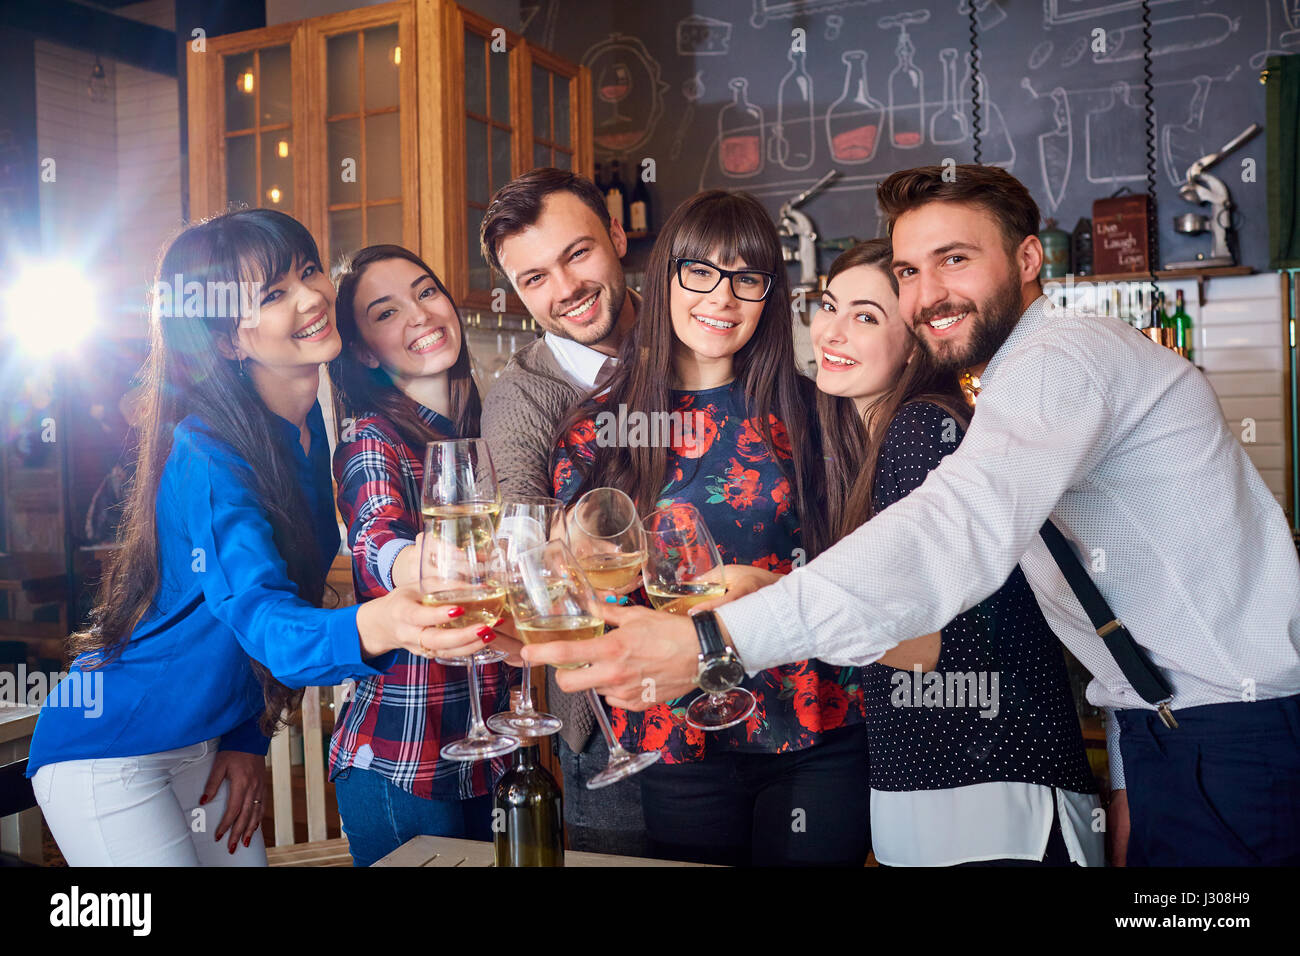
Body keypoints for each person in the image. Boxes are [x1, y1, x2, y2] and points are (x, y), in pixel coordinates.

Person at [524, 163, 1300, 867]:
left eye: (955, 260)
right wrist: (1132, 772)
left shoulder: (1058, 362)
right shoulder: (988, 398)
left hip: (1226, 736)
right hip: (1167, 733)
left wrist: (717, 637)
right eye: (908, 272)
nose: (929, 293)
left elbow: (952, 539)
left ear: (1029, 260)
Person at [25, 210, 492, 866]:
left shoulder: (305, 435)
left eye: (307, 272)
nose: (310, 297)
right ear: (226, 342)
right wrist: (386, 623)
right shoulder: (207, 454)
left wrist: (243, 735)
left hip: (207, 745)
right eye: (273, 295)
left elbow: (249, 622)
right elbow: (264, 618)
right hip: (110, 750)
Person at [551, 189, 870, 867]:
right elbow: (582, 590)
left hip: (815, 728)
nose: (722, 298)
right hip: (678, 741)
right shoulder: (597, 428)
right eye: (700, 272)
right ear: (663, 276)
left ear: (769, 296)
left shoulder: (822, 413)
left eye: (747, 278)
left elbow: (866, 566)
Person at [809, 238, 1100, 865]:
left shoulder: (921, 430)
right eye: (827, 306)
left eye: (865, 316)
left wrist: (777, 614)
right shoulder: (880, 440)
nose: (832, 332)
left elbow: (947, 644)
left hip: (988, 792)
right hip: (945, 789)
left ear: (916, 341)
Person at [327, 244, 515, 866]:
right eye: (385, 312)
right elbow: (374, 535)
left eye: (425, 292)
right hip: (402, 756)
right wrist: (417, 562)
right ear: (361, 350)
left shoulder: (487, 434)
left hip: (488, 752)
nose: (419, 315)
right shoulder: (370, 438)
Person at [478, 168, 647, 854]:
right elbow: (519, 541)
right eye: (534, 278)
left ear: (616, 234)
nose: (565, 290)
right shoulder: (522, 394)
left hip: (744, 683)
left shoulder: (700, 333)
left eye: (577, 255)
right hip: (609, 716)